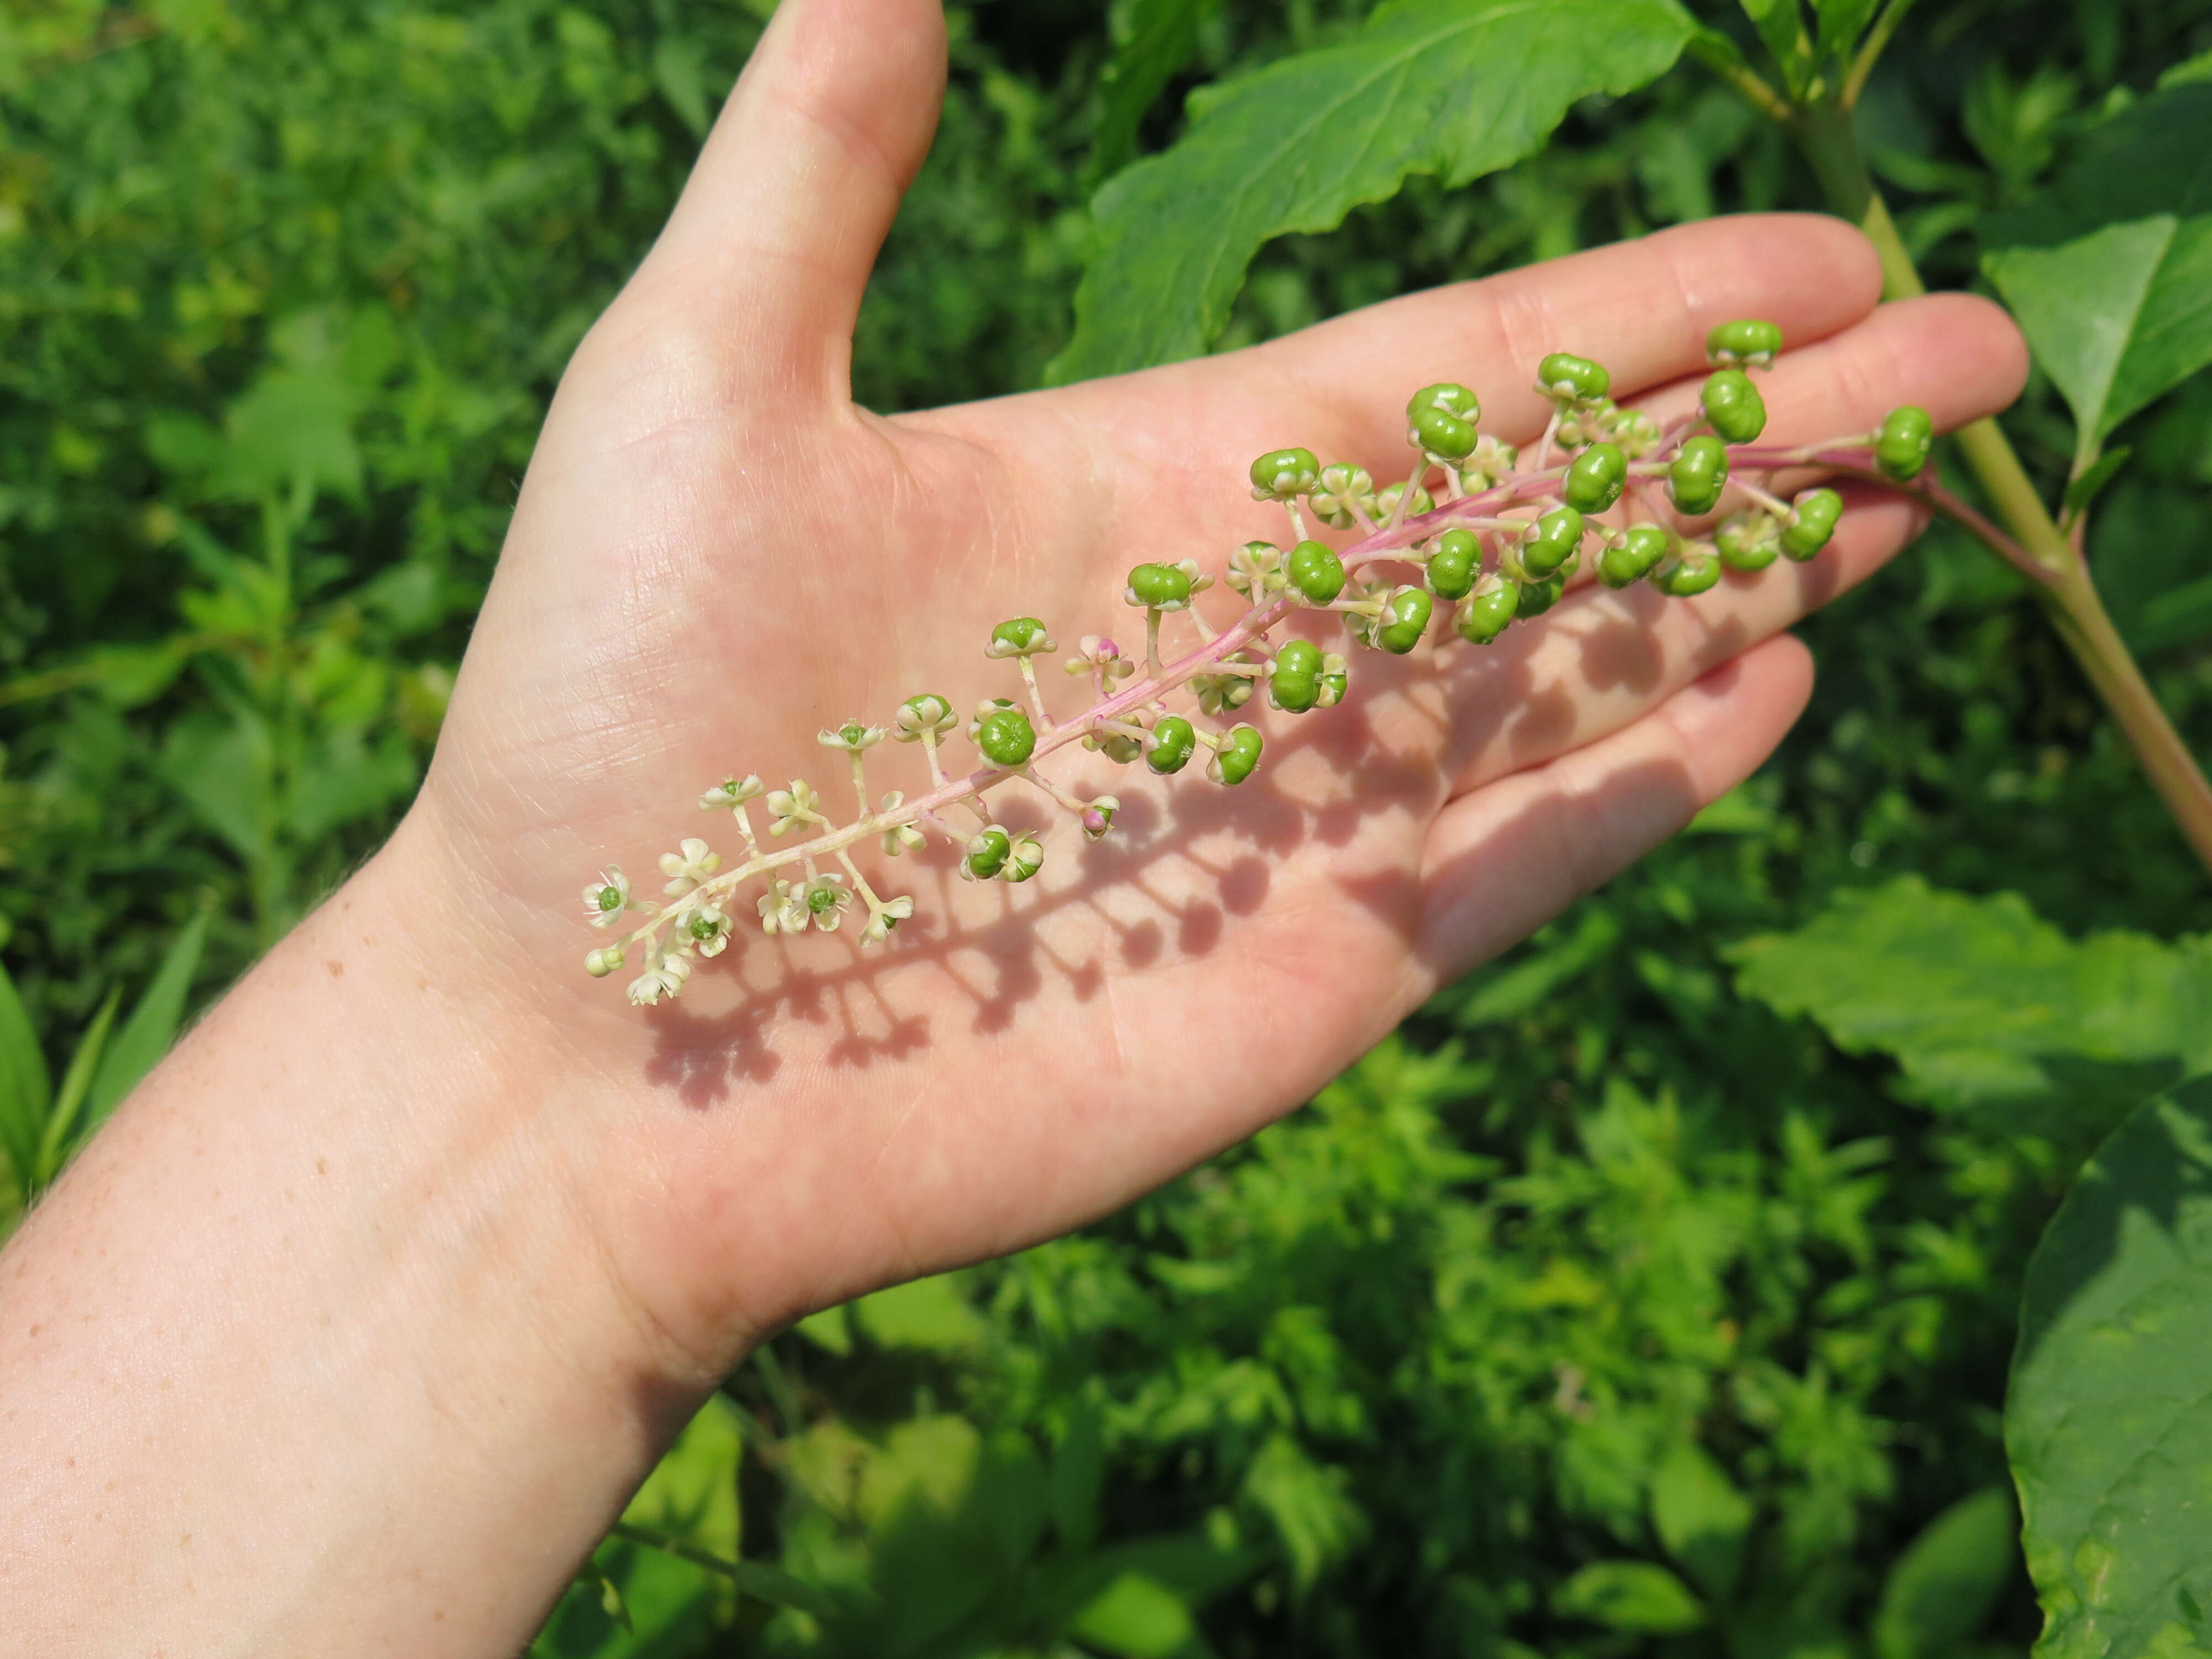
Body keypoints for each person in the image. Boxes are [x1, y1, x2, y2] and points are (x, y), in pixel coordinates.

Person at [0, 0, 2026, 1648]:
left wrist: (519, 1092)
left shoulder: (1356, 575)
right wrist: (521, 1054)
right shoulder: (775, 850)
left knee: (1605, 541)